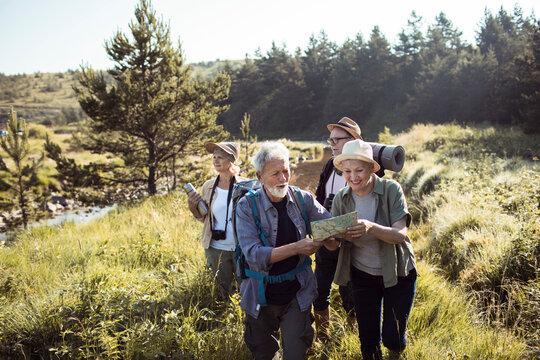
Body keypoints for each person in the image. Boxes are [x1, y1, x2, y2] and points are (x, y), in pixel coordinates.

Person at [235, 142, 338, 360]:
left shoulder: (303, 199)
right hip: (260, 296)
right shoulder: (246, 207)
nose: (283, 178)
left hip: (296, 294)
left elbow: (330, 226)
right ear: (260, 177)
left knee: (297, 353)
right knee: (264, 354)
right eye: (275, 174)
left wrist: (332, 240)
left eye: (286, 171)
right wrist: (297, 248)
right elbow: (253, 255)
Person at [327, 139, 417, 360]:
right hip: (362, 275)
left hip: (398, 273)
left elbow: (399, 235)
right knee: (368, 345)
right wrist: (330, 239)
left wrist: (370, 227)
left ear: (371, 168)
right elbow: (335, 242)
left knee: (392, 339)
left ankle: (397, 348)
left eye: (359, 170)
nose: (353, 177)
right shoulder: (341, 198)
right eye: (347, 171)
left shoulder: (391, 190)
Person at [313, 116, 364, 340]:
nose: (331, 144)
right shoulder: (329, 166)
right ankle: (323, 337)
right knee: (318, 291)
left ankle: (351, 336)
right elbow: (319, 199)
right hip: (326, 239)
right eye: (330, 140)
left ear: (353, 140)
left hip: (352, 243)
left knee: (349, 294)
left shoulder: (365, 171)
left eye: (337, 140)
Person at [187, 141, 247, 298]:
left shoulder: (244, 186)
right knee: (223, 292)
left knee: (245, 290)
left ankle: (246, 320)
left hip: (241, 248)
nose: (216, 161)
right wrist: (193, 208)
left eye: (220, 157)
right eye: (214, 157)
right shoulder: (208, 186)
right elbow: (203, 218)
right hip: (215, 248)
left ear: (231, 160)